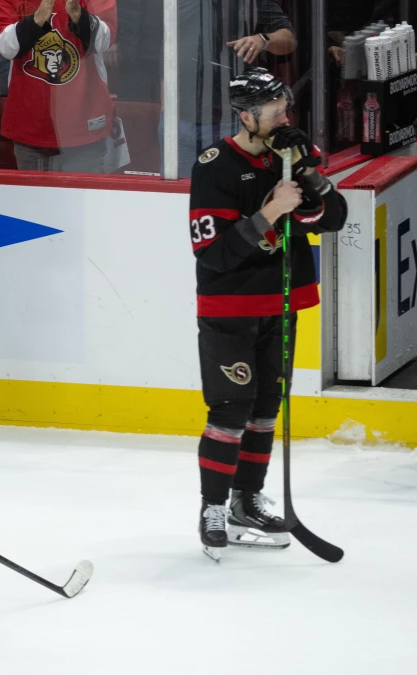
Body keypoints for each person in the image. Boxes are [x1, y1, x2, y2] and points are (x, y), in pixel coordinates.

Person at [189, 67, 346, 561]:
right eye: (274, 112)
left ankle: (247, 501)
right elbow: (213, 255)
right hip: (229, 309)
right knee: (230, 410)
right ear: (245, 116)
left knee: (263, 410)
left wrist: (309, 173)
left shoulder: (293, 154)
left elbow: (335, 219)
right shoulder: (214, 166)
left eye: (285, 109)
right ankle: (213, 507)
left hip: (281, 305)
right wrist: (273, 211)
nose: (284, 118)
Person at [0, 0, 117, 173]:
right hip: (30, 123)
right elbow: (5, 46)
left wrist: (78, 14)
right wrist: (37, 19)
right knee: (33, 191)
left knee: (81, 190)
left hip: (84, 122)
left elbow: (104, 40)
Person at [172, 0, 295, 178]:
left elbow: (289, 39)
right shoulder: (181, 3)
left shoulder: (251, 2)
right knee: (178, 191)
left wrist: (263, 39)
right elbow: (167, 49)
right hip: (178, 122)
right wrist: (166, 112)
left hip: (229, 121)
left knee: (232, 187)